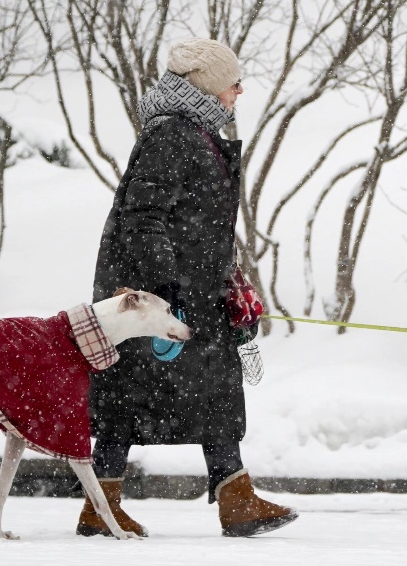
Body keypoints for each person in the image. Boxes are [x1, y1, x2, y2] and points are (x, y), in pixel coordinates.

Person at [78, 38, 297, 539]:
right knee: (132, 397)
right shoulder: (174, 135)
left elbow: (189, 221)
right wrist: (162, 290)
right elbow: (143, 215)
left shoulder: (190, 133)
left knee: (208, 391)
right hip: (159, 299)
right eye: (232, 81)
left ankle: (231, 497)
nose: (239, 90)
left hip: (193, 291)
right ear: (207, 85)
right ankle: (104, 505)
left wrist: (223, 275)